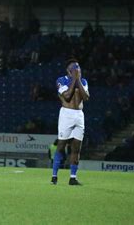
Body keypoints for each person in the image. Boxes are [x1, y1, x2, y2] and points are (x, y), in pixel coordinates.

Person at [51, 58, 89, 186]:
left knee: (77, 147)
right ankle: (54, 176)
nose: (78, 70)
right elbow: (67, 96)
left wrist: (77, 79)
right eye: (75, 68)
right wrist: (74, 79)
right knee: (61, 145)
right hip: (66, 114)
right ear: (69, 70)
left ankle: (73, 177)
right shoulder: (61, 81)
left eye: (79, 67)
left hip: (79, 114)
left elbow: (86, 97)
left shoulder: (83, 81)